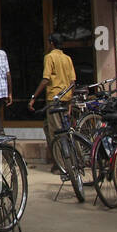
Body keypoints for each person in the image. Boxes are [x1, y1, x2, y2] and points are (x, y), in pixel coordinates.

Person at [29, 33, 76, 170]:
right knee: (49, 127)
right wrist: (70, 102)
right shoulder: (67, 59)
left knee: (56, 132)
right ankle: (62, 160)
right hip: (66, 97)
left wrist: (33, 97)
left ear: (51, 43)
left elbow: (46, 79)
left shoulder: (49, 57)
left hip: (54, 98)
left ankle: (61, 164)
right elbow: (73, 81)